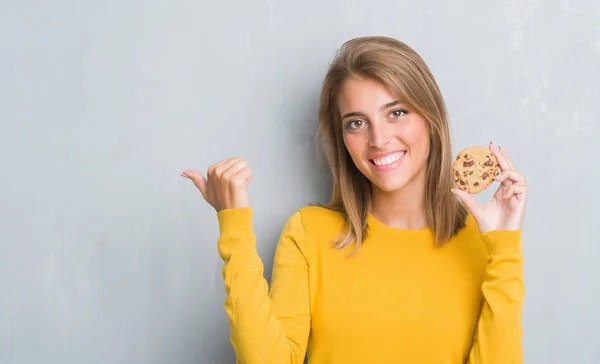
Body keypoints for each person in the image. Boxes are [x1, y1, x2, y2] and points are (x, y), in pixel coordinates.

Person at [181, 36, 527, 364]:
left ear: (431, 118)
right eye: (357, 123)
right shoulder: (309, 233)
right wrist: (234, 226)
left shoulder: (482, 242)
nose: (378, 139)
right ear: (342, 138)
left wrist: (504, 248)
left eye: (397, 113)